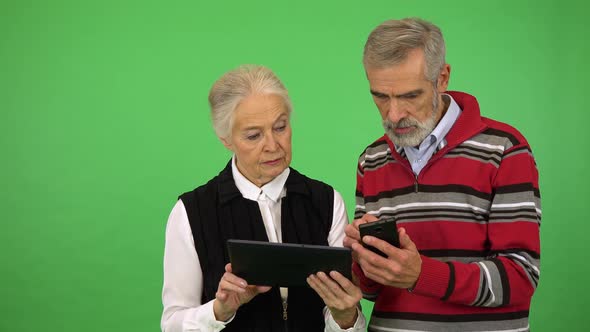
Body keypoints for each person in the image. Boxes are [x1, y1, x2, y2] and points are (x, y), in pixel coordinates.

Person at [343, 18, 541, 331]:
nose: (393, 115)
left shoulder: (504, 150)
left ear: (442, 78)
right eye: (381, 96)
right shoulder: (371, 160)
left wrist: (422, 276)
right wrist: (364, 261)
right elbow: (372, 292)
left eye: (410, 96)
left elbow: (520, 278)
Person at [161, 65, 366, 332]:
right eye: (253, 135)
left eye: (280, 127)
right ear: (226, 139)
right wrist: (219, 311)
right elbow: (172, 324)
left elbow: (346, 320)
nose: (272, 145)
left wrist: (345, 316)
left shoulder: (326, 202)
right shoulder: (191, 212)